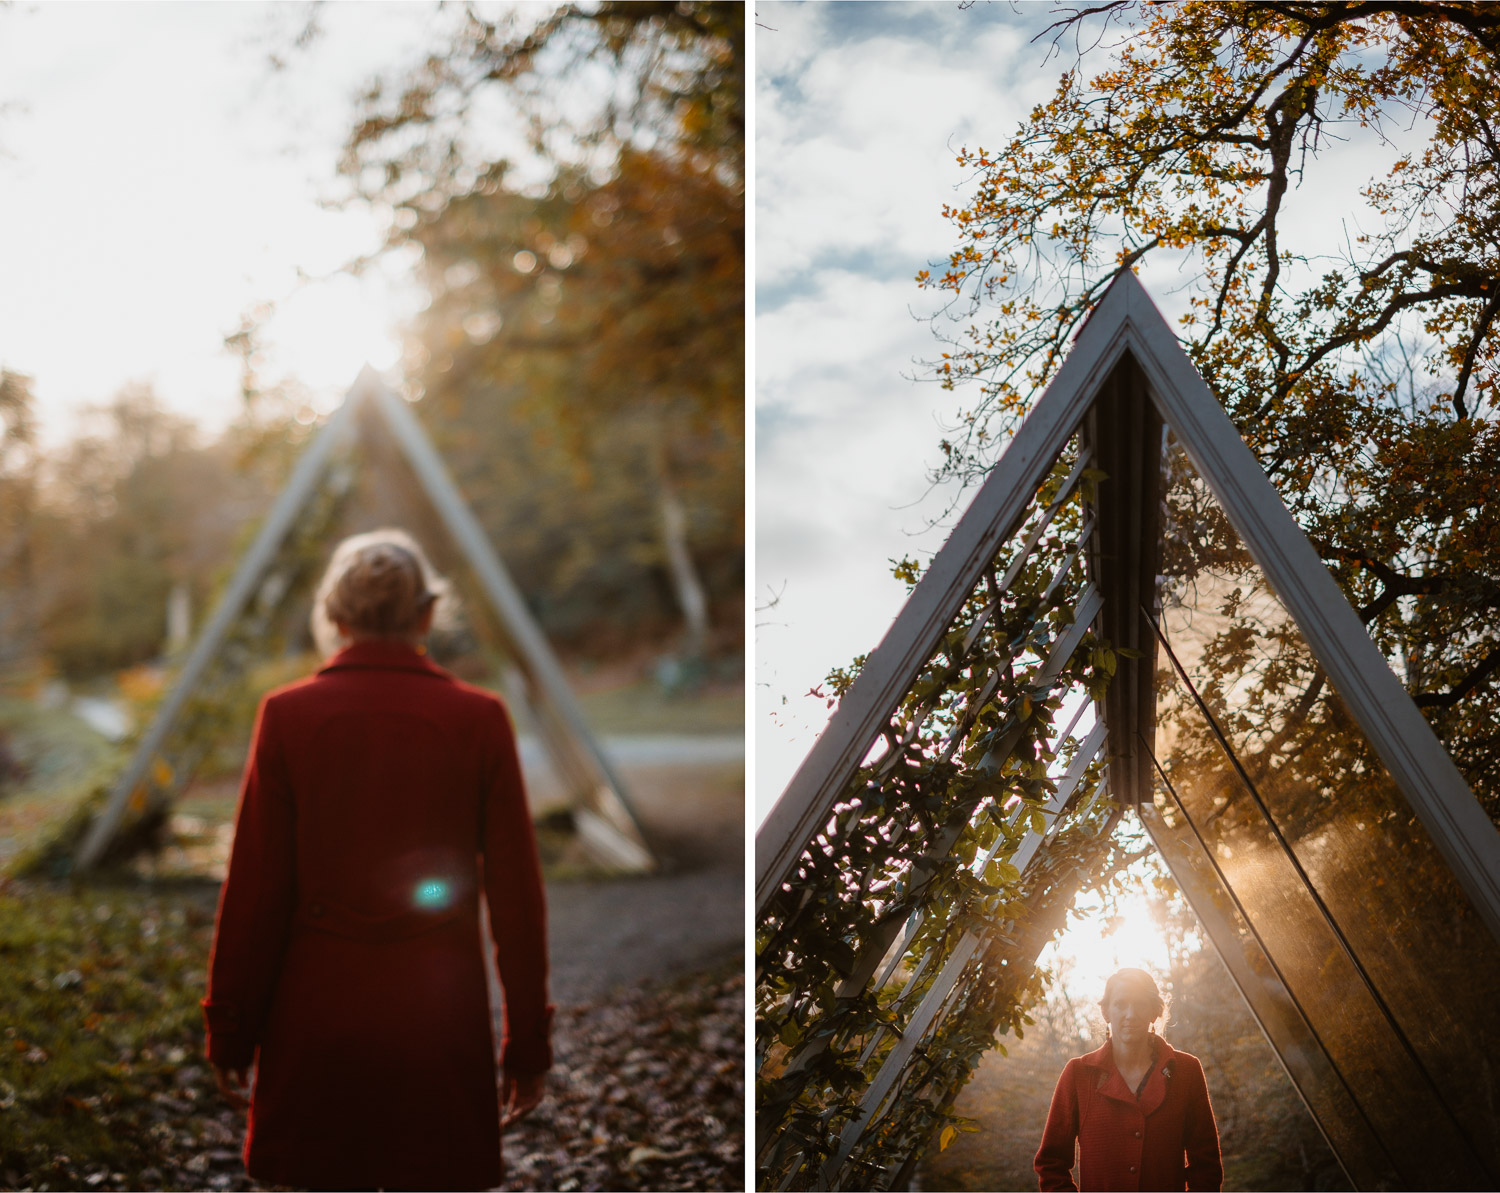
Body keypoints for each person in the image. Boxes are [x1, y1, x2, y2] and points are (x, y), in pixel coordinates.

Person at [201, 528, 552, 1191]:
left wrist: (231, 1026)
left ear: (334, 617)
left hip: (314, 1021)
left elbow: (254, 890)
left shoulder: (286, 715)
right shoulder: (480, 718)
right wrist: (527, 1043)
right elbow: (517, 900)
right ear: (426, 613)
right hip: (439, 1024)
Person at [1035, 968, 1222, 1192]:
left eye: (1140, 1004)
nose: (1130, 1014)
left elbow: (1206, 1164)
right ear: (1105, 1012)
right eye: (1120, 1004)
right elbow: (1051, 1163)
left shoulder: (1186, 1071)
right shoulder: (1078, 1074)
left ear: (1154, 1012)